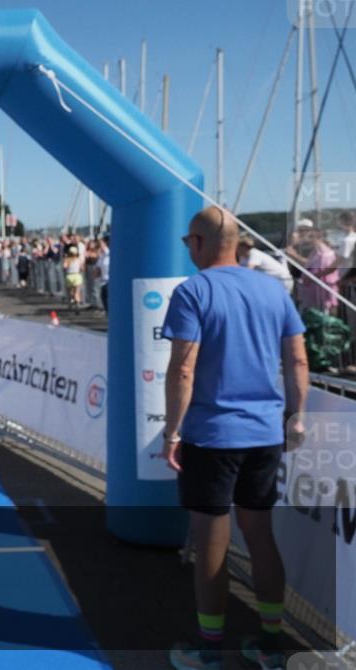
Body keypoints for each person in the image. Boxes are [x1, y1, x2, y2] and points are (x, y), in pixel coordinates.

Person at [162, 206, 308, 670]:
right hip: (266, 433)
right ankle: (270, 643)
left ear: (201, 243)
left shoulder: (193, 292)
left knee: (211, 543)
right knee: (260, 536)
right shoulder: (272, 290)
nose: (188, 251)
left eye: (189, 243)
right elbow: (298, 363)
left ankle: (209, 648)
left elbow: (183, 368)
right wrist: (296, 415)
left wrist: (171, 430)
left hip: (212, 436)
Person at [296, 227, 339, 313]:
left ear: (318, 238)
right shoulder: (316, 251)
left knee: (322, 314)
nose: (307, 239)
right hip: (312, 291)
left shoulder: (325, 253)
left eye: (310, 237)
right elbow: (309, 265)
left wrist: (311, 277)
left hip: (321, 293)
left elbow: (326, 271)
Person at [63, 245, 83, 309]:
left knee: (70, 292)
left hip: (69, 276)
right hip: (77, 276)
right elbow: (81, 268)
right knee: (77, 292)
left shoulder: (67, 260)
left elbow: (64, 267)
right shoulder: (78, 259)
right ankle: (77, 302)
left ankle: (70, 302)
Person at [96, 235, 110, 313]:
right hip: (103, 282)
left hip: (110, 281)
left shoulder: (109, 253)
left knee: (108, 300)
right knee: (103, 298)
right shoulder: (102, 256)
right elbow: (98, 268)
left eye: (101, 244)